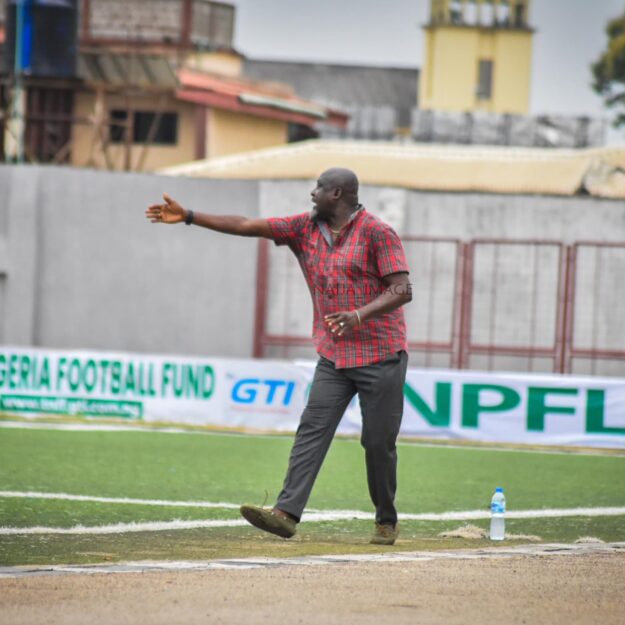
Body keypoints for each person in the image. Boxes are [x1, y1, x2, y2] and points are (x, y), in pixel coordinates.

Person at [146, 168, 411, 545]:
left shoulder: (377, 232)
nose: (311, 193)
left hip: (380, 355)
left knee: (377, 444)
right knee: (311, 431)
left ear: (336, 194)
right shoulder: (303, 228)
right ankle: (286, 514)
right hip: (334, 357)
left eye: (318, 188)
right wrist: (190, 216)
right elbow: (245, 225)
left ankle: (386, 519)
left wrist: (357, 316)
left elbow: (402, 289)